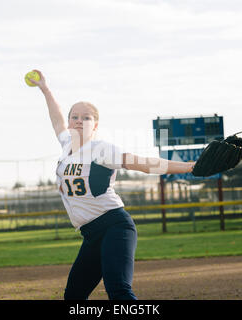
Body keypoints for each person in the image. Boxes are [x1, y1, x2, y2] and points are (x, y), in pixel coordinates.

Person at [29, 70, 195, 300]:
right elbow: (55, 118)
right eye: (74, 116)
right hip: (90, 235)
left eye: (86, 118)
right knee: (74, 297)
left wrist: (188, 167)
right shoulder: (66, 144)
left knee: (118, 290)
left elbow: (143, 164)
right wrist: (45, 89)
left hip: (114, 226)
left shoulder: (101, 149)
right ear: (69, 122)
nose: (79, 120)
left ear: (95, 125)